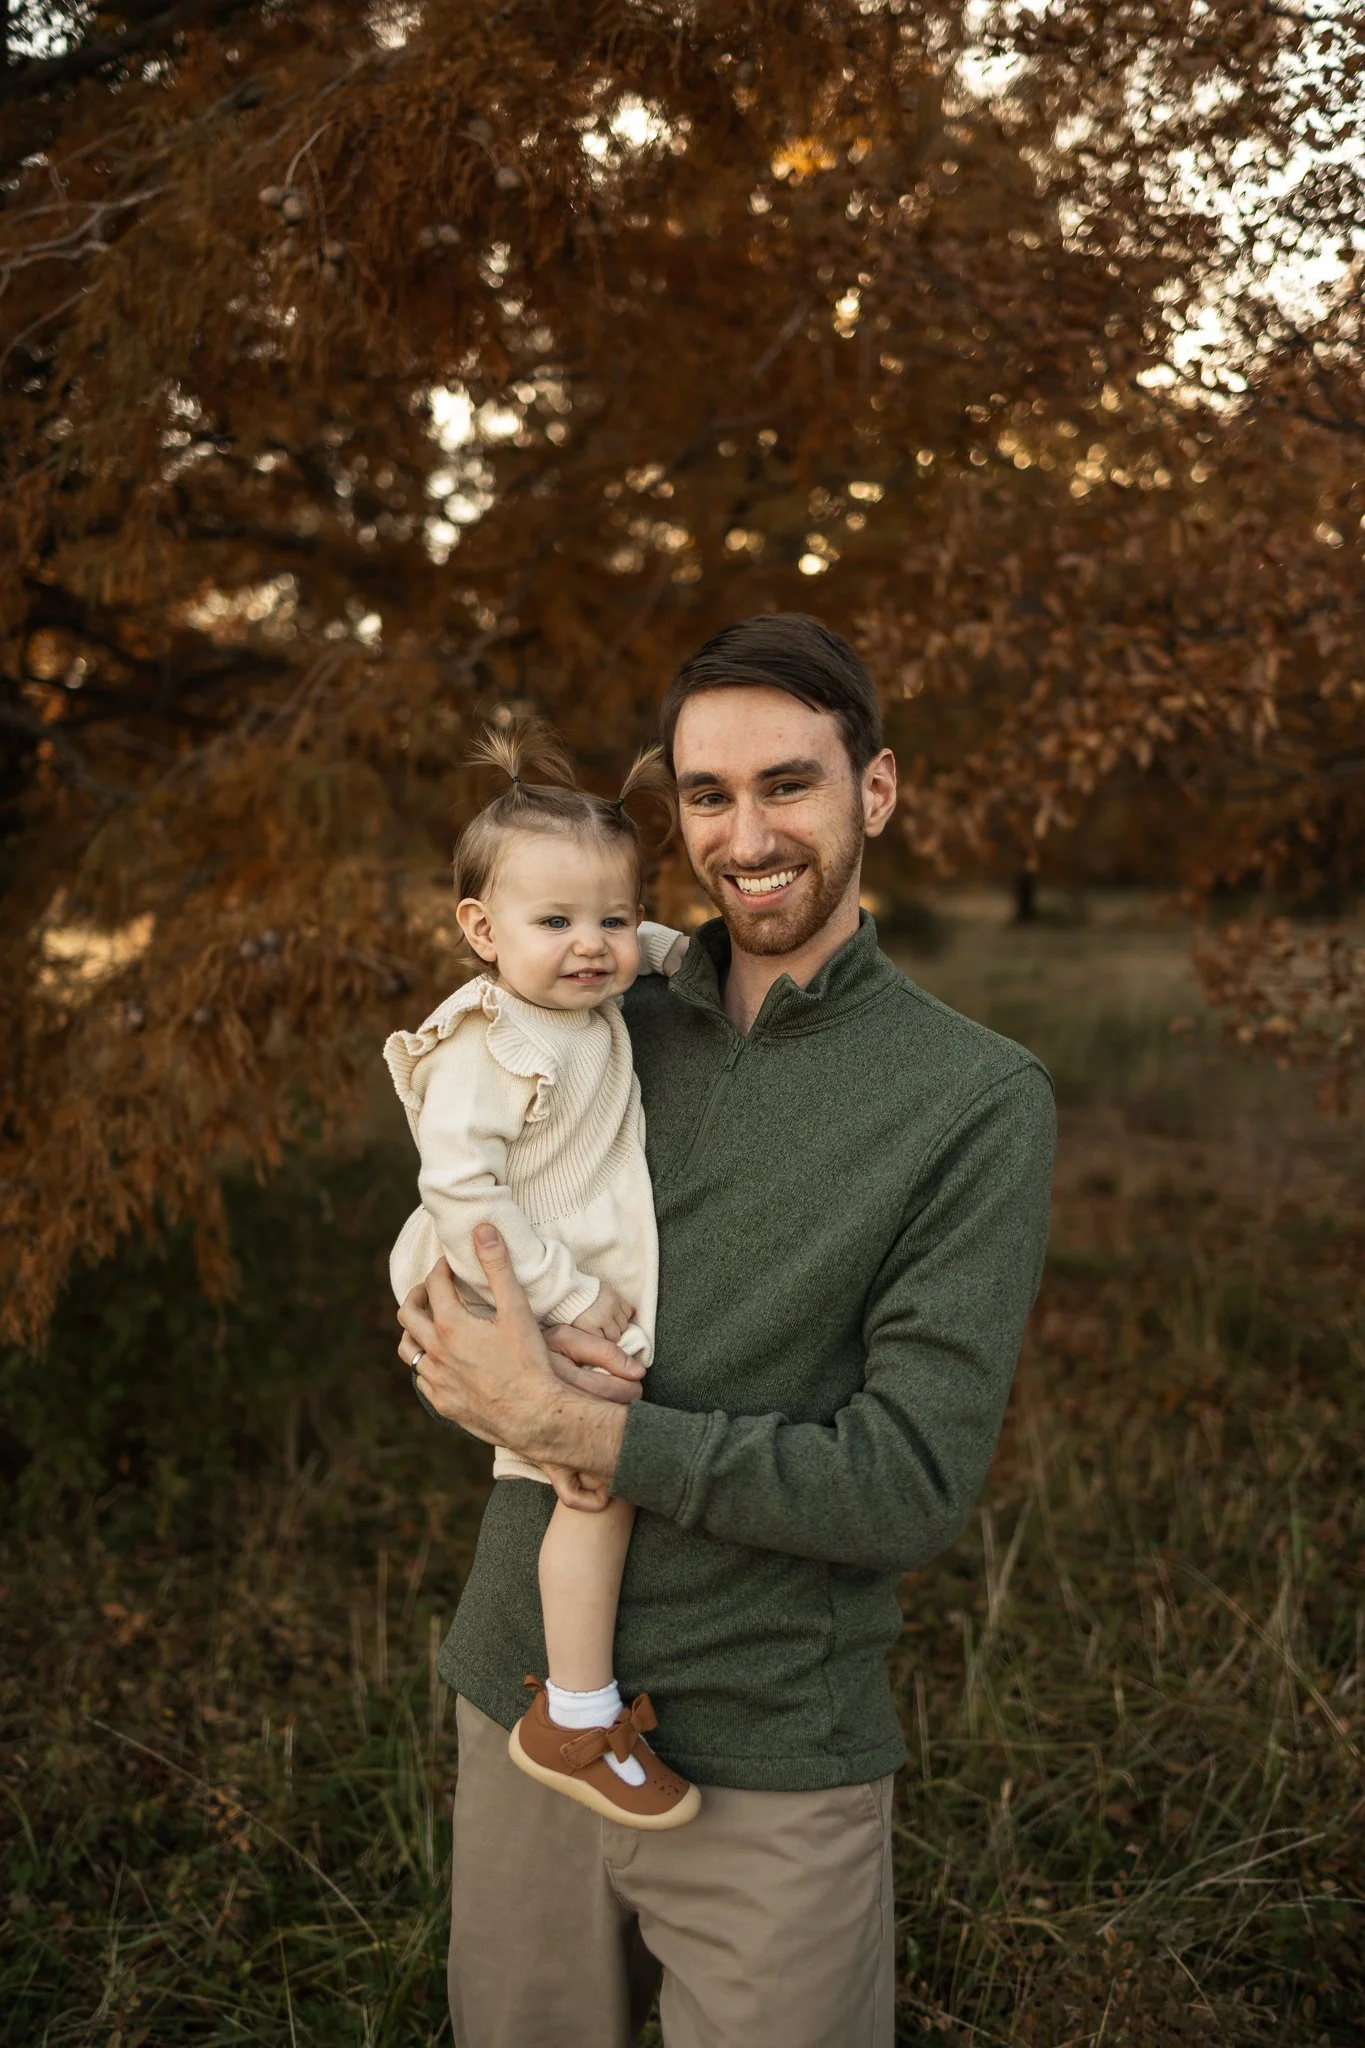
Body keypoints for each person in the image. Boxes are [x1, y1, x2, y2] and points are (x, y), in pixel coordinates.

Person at [396, 614, 1057, 2048]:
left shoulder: (972, 1099)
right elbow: (455, 1243)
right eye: (708, 794)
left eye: (788, 784)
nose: (746, 837)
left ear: (875, 788)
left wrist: (577, 1426)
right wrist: (448, 1342)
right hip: (520, 1695)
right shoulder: (595, 1002)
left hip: (769, 1753)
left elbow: (905, 1485)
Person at [383, 723, 698, 1827]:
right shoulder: (491, 1041)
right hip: (500, 1274)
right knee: (597, 1474)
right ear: (481, 929)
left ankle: (578, 1700)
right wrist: (564, 1294)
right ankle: (576, 1708)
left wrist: (679, 952)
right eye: (556, 922)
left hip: (539, 1262)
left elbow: (636, 936)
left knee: (594, 1471)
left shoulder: (578, 989)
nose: (592, 946)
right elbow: (458, 1189)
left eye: (613, 917)